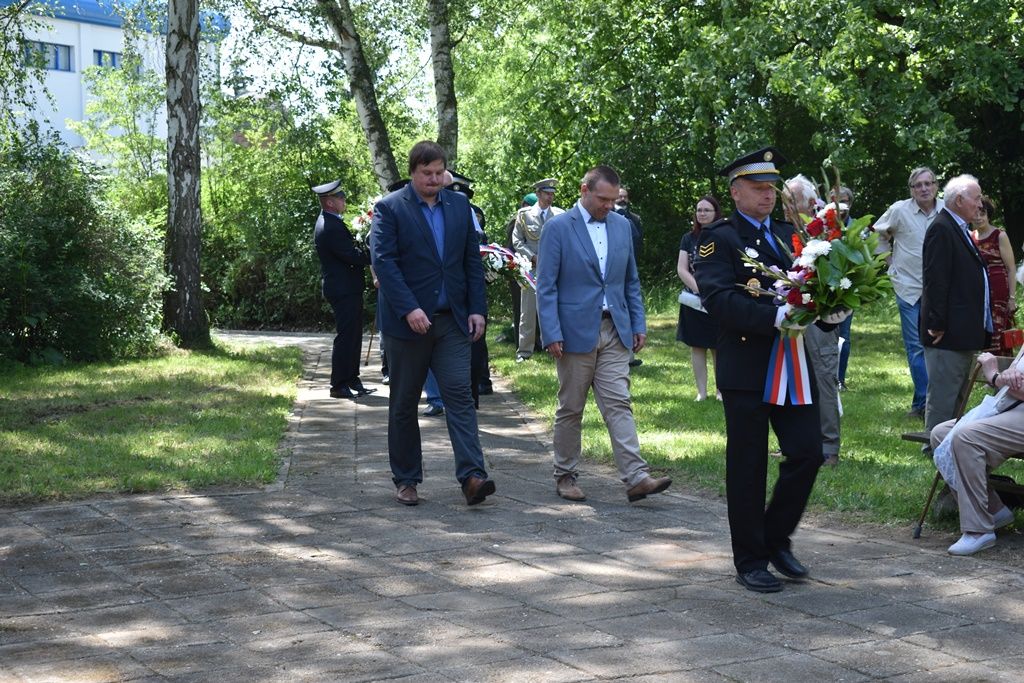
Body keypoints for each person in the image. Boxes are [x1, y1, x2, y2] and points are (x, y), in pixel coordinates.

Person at [694, 147, 847, 593]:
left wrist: (828, 312)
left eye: (771, 188)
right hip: (747, 365)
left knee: (807, 452)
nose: (767, 195)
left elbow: (809, 286)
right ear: (736, 191)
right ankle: (750, 559)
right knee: (748, 464)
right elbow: (719, 300)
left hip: (791, 364)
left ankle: (775, 538)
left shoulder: (788, 234)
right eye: (758, 188)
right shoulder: (717, 238)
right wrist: (772, 318)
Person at [370, 140, 496, 507]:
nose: (434, 179)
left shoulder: (459, 207)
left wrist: (477, 309)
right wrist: (409, 308)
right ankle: (407, 479)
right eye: (427, 173)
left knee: (459, 395)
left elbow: (471, 261)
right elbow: (385, 263)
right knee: (405, 401)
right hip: (407, 325)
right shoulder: (390, 208)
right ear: (412, 173)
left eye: (439, 172)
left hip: (452, 322)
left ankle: (473, 476)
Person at [536, 164, 672, 503]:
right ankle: (565, 474)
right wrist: (550, 331)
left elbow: (630, 280)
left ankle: (636, 476)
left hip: (615, 329)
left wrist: (638, 323)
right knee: (571, 406)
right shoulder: (557, 228)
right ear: (584, 190)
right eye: (602, 199)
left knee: (619, 403)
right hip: (573, 332)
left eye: (613, 200)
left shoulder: (623, 226)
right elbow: (546, 286)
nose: (608, 206)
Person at [930, 349, 1023, 555]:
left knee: (965, 436)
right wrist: (1006, 376)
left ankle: (978, 530)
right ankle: (994, 510)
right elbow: (1015, 379)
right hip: (1012, 406)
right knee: (941, 434)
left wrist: (994, 375)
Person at [921, 174, 992, 432]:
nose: (980, 204)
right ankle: (933, 444)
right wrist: (937, 323)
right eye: (976, 197)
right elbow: (936, 279)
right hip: (946, 332)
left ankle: (949, 442)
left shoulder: (959, 228)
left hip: (962, 331)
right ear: (960, 199)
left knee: (958, 392)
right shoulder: (942, 228)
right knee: (944, 393)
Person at [874, 167, 944, 419]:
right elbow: (877, 234)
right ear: (911, 189)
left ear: (936, 186)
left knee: (940, 346)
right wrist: (889, 262)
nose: (924, 188)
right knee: (916, 347)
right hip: (908, 287)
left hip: (941, 291)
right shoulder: (899, 210)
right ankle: (924, 403)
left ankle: (934, 400)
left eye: (928, 183)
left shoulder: (947, 210)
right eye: (918, 185)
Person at [785, 174, 842, 467]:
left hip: (820, 322)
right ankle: (799, 444)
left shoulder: (828, 234)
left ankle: (829, 448)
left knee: (823, 381)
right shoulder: (782, 231)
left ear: (809, 202)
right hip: (787, 320)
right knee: (793, 383)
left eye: (791, 201)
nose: (785, 207)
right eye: (784, 201)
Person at [311, 180, 375, 400]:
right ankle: (338, 384)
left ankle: (351, 378)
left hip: (347, 288)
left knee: (354, 335)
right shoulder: (329, 226)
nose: (344, 200)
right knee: (346, 336)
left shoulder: (332, 221)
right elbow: (351, 256)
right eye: (340, 197)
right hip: (342, 289)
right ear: (329, 202)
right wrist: (374, 254)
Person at [676, 195, 722, 401]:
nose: (702, 213)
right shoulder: (688, 238)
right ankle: (701, 392)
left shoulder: (724, 235)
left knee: (719, 346)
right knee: (697, 345)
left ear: (715, 213)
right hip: (694, 300)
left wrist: (712, 293)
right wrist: (700, 290)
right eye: (699, 210)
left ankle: (721, 391)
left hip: (719, 298)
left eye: (706, 210)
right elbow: (681, 268)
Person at [513, 178, 564, 362]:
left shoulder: (559, 215)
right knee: (527, 311)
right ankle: (524, 351)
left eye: (552, 194)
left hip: (554, 270)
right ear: (538, 194)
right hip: (532, 269)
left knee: (555, 308)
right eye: (547, 194)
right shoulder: (524, 215)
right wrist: (532, 256)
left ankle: (554, 347)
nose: (550, 197)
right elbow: (517, 241)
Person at [972, 196, 1017, 352]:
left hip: (999, 293)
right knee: (982, 334)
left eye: (982, 213)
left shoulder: (999, 235)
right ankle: (985, 372)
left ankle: (1004, 373)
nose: (978, 217)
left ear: (988, 215)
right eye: (975, 213)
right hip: (978, 294)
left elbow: (1011, 269)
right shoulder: (969, 237)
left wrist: (1012, 298)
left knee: (1000, 333)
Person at [501, 193, 538, 344]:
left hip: (538, 271)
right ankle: (521, 343)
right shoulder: (516, 222)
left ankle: (538, 342)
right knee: (521, 309)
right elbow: (510, 249)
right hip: (519, 272)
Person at [615, 186, 645, 368]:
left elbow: (638, 243)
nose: (622, 200)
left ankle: (629, 353)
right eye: (619, 197)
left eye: (625, 197)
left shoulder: (634, 220)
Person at [831, 185, 856, 390]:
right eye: (836, 199)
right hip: (824, 285)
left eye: (844, 199)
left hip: (849, 287)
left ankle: (840, 378)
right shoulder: (823, 225)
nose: (840, 204)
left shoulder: (857, 227)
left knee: (843, 335)